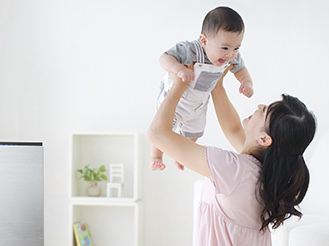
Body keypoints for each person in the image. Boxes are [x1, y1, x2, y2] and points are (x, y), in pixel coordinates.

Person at [147, 66, 316, 245]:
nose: (259, 106)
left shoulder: (235, 171)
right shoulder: (261, 172)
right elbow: (233, 129)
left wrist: (178, 85)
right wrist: (217, 84)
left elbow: (157, 133)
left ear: (264, 138)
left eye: (265, 110)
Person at [150, 6, 254, 171]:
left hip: (198, 105)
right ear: (204, 41)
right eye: (225, 48)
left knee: (195, 134)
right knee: (163, 130)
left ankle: (181, 155)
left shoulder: (231, 57)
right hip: (176, 101)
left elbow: (240, 69)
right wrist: (178, 69)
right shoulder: (190, 50)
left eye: (236, 48)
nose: (230, 54)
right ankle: (156, 156)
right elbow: (164, 58)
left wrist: (246, 83)